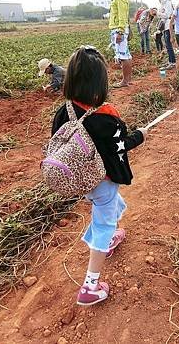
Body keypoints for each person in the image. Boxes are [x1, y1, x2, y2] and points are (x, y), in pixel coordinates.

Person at [51, 46, 146, 306]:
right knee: (103, 222)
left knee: (113, 205)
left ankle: (111, 235)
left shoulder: (64, 112)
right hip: (101, 182)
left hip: (81, 180)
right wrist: (139, 136)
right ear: (100, 83)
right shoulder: (105, 118)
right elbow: (119, 147)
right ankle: (90, 286)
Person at [105, 0, 132, 88]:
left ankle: (125, 81)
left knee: (123, 55)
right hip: (116, 28)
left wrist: (120, 31)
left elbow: (122, 15)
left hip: (118, 29)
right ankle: (127, 80)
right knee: (125, 54)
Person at [155, 0, 176, 70]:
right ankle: (170, 61)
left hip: (169, 26)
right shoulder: (162, 5)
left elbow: (167, 15)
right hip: (165, 27)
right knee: (167, 45)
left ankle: (172, 62)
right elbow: (162, 16)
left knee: (169, 45)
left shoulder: (167, 3)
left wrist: (158, 13)